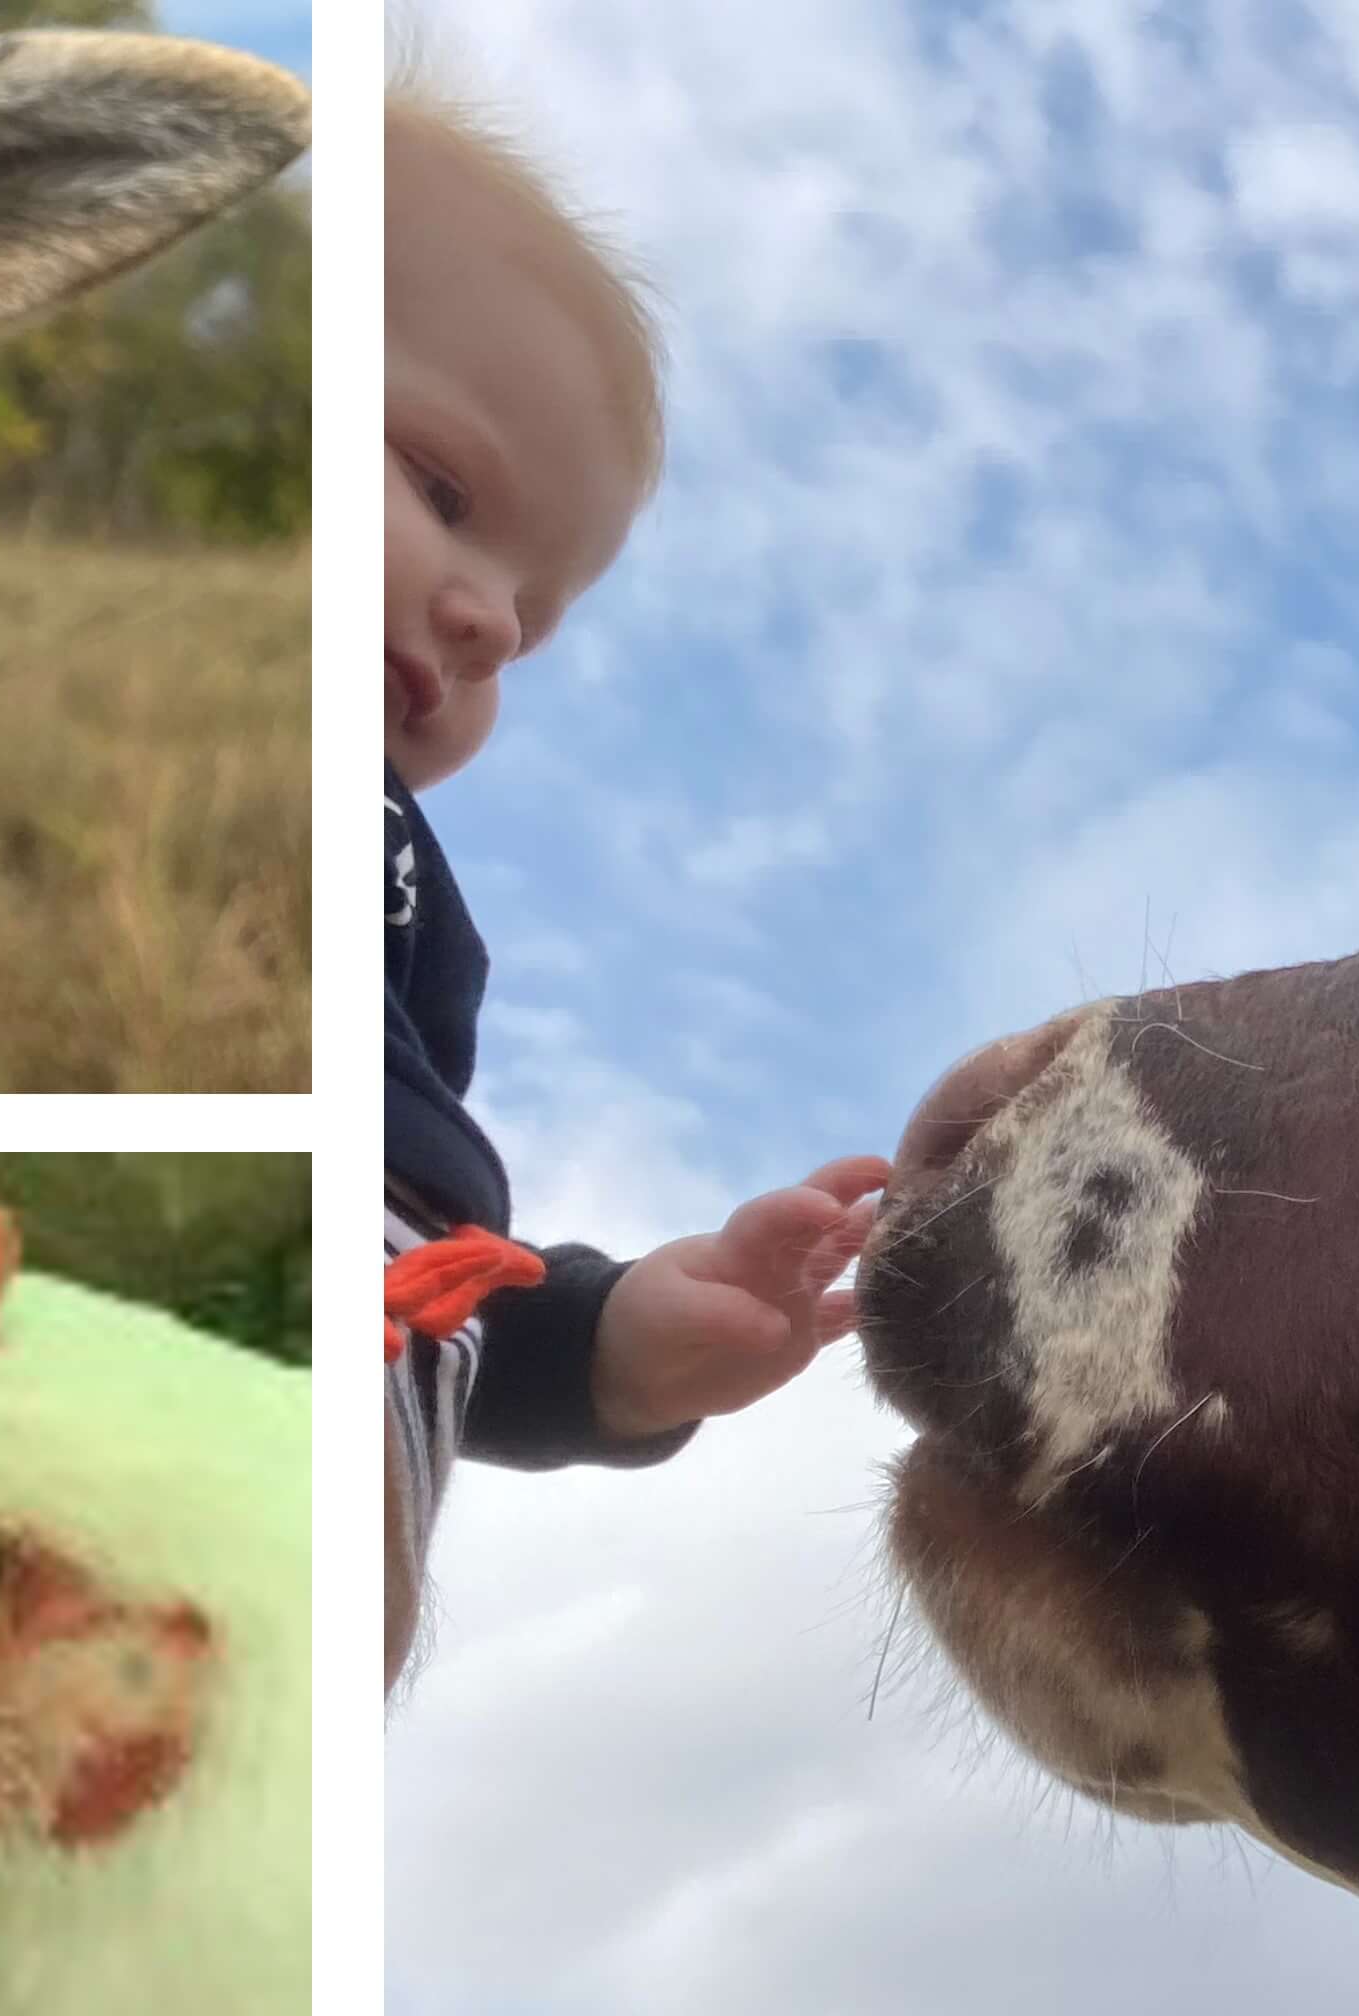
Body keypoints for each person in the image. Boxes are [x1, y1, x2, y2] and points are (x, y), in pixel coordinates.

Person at [384, 70, 886, 1689]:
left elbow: (448, 1301)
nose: (489, 623)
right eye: (446, 495)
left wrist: (614, 1344)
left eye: (534, 616)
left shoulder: (414, 896)